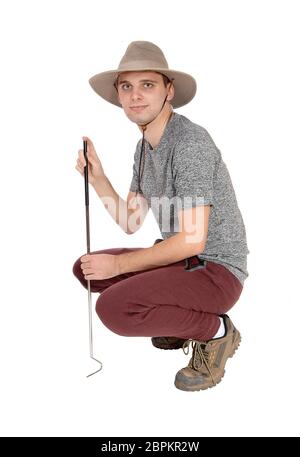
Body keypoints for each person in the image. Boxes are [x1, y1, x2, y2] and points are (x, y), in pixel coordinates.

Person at [73, 41, 250, 391]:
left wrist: (121, 267)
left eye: (147, 85)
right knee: (87, 268)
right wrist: (98, 178)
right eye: (127, 86)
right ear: (119, 95)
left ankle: (217, 333)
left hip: (215, 272)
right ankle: (176, 321)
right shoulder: (144, 149)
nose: (136, 96)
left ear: (169, 91)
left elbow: (192, 239)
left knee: (114, 308)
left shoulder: (190, 145)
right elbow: (130, 222)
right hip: (183, 262)